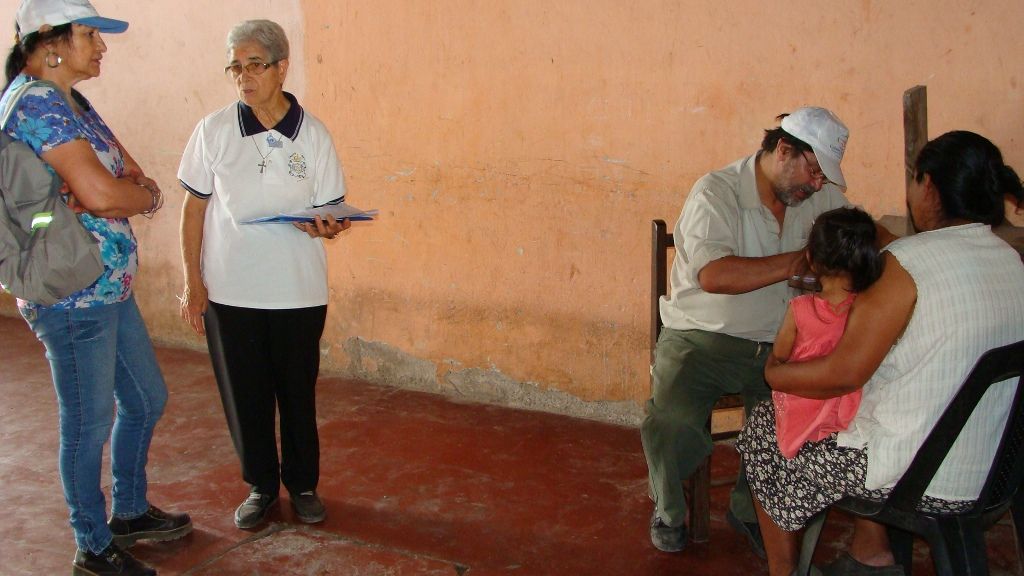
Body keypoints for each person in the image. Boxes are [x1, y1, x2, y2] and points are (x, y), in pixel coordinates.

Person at [737, 130, 1024, 576]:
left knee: (765, 427)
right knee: (871, 405)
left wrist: (776, 374)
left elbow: (842, 373)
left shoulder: (907, 263)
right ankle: (872, 554)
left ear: (928, 186)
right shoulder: (1010, 260)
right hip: (992, 468)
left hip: (922, 475)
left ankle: (783, 572)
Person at [0, 1, 192, 575]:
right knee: (88, 421)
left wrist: (136, 193)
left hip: (106, 287)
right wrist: (130, 196)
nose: (102, 46)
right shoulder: (36, 104)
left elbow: (129, 178)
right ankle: (91, 540)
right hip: (71, 295)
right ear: (49, 42)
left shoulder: (72, 103)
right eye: (90, 35)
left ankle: (129, 512)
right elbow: (110, 195)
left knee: (145, 399)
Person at [641, 106, 853, 555]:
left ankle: (749, 508)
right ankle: (670, 506)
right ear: (783, 150)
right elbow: (714, 275)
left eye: (822, 177)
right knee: (672, 423)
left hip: (780, 344)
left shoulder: (818, 197)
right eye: (813, 171)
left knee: (792, 426)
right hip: (701, 338)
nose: (818, 185)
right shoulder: (715, 192)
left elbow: (858, 234)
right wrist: (798, 263)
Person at [178, 19, 349, 531]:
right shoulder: (213, 131)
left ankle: (303, 485)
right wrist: (194, 282)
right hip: (231, 291)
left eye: (254, 65)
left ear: (281, 67)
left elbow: (334, 213)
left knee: (297, 392)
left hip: (297, 290)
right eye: (236, 67)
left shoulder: (313, 136)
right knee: (245, 394)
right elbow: (193, 209)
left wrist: (328, 226)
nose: (243, 77)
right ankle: (259, 485)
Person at [771, 206, 882, 460]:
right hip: (852, 412)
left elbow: (780, 354)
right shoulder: (866, 308)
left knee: (759, 429)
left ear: (811, 258)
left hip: (805, 407)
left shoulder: (800, 309)